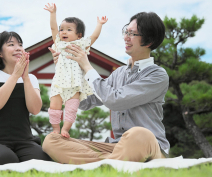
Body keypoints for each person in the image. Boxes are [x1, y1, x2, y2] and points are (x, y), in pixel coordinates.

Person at [43, 12, 170, 164]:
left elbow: (114, 100)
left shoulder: (157, 75)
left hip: (148, 145)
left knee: (139, 135)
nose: (126, 37)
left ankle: (107, 164)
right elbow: (84, 102)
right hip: (113, 146)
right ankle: (112, 163)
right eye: (126, 32)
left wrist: (86, 66)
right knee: (51, 141)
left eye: (132, 33)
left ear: (149, 41)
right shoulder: (119, 73)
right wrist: (65, 72)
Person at [0, 31, 51, 165]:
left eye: (20, 44)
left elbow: (35, 109)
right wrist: (15, 76)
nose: (18, 48)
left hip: (25, 141)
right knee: (5, 159)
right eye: (11, 44)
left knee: (42, 161)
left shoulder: (30, 78)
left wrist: (25, 78)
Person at [44, 3, 108, 138]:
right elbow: (53, 28)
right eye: (62, 29)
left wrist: (99, 24)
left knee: (71, 109)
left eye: (68, 29)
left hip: (75, 84)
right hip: (59, 83)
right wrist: (53, 13)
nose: (63, 32)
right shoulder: (59, 44)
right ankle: (55, 128)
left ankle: (65, 129)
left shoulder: (81, 44)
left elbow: (94, 37)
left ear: (79, 35)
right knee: (54, 107)